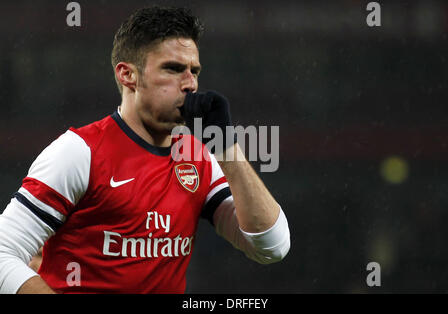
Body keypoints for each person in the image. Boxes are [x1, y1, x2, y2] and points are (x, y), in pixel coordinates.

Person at [0, 6, 290, 294]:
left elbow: (272, 247)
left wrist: (226, 146)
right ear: (128, 75)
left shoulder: (197, 158)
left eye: (194, 71)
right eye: (173, 69)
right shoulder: (78, 152)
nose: (190, 84)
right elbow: (3, 253)